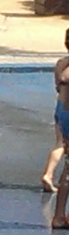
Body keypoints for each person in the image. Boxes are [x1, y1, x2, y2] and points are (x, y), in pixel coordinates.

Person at [42, 30, 69, 192]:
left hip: (60, 107)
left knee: (60, 143)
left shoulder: (60, 63)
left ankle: (49, 173)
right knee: (64, 145)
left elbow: (58, 87)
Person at [51, 31, 69, 228]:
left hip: (62, 111)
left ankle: (61, 214)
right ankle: (58, 216)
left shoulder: (60, 63)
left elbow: (59, 86)